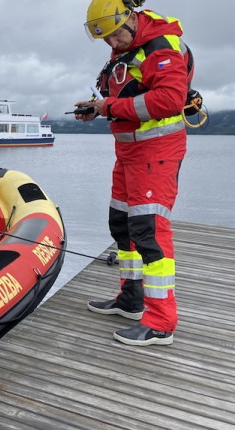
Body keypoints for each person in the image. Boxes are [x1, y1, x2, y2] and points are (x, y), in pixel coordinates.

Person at [76, 0, 192, 346]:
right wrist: (96, 110)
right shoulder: (127, 47)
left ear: (129, 19)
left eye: (114, 37)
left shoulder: (162, 45)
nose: (112, 45)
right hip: (128, 151)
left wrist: (108, 106)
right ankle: (131, 299)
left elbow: (169, 100)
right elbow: (128, 93)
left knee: (150, 231)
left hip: (156, 152)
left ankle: (160, 322)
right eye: (106, 41)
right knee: (122, 224)